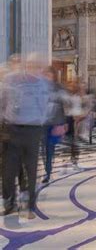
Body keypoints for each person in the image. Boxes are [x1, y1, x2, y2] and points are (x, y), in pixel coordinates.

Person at [1, 53, 53, 218]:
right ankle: (9, 203)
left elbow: (46, 107)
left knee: (30, 171)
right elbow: (2, 102)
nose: (33, 69)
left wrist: (38, 122)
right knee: (8, 171)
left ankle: (29, 205)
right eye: (30, 65)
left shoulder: (43, 84)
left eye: (36, 66)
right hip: (12, 129)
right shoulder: (10, 80)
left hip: (32, 131)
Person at [42, 66, 68, 183]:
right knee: (43, 149)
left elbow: (65, 105)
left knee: (49, 149)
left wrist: (63, 123)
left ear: (53, 75)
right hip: (42, 123)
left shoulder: (59, 88)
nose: (46, 76)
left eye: (48, 74)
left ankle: (48, 171)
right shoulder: (40, 87)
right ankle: (47, 169)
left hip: (54, 123)